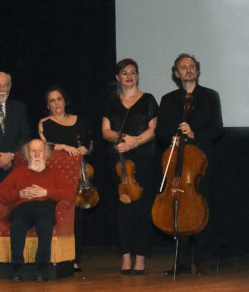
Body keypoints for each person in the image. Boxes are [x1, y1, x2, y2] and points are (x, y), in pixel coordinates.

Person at [156, 53, 223, 275]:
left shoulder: (210, 96)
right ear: (176, 73)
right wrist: (171, 139)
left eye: (192, 66)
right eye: (183, 67)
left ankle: (204, 260)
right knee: (178, 209)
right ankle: (181, 263)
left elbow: (217, 129)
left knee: (203, 209)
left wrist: (194, 134)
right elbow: (161, 131)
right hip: (177, 162)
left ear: (197, 70)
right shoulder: (168, 100)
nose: (188, 70)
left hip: (202, 164)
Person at [102, 58, 158, 275]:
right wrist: (122, 139)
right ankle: (125, 256)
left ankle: (141, 258)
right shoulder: (111, 102)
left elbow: (153, 129)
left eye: (133, 72)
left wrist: (134, 141)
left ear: (137, 75)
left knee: (142, 210)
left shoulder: (148, 99)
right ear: (118, 77)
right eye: (124, 73)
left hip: (143, 157)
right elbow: (105, 131)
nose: (129, 76)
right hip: (119, 161)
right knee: (122, 211)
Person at [0, 139, 74, 281]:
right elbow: (2, 191)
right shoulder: (19, 172)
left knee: (45, 224)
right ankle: (17, 267)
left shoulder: (54, 173)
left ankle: (42, 267)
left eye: (40, 150)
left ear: (46, 154)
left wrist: (46, 192)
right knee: (17, 225)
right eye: (33, 151)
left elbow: (70, 193)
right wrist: (19, 194)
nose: (37, 154)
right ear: (28, 155)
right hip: (22, 207)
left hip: (45, 207)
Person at [38, 86, 90, 272]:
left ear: (64, 101)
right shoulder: (44, 123)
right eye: (52, 100)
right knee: (55, 215)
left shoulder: (79, 121)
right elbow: (41, 146)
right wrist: (60, 146)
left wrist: (84, 149)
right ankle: (56, 256)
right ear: (47, 105)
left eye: (59, 99)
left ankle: (73, 258)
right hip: (54, 176)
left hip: (78, 175)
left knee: (76, 217)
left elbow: (87, 145)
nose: (56, 103)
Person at [0, 71, 31, 181]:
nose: (2, 89)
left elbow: (26, 136)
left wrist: (11, 155)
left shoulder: (19, 108)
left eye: (6, 85)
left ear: (10, 87)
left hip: (15, 168)